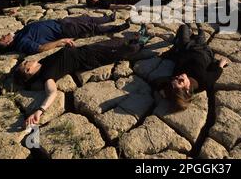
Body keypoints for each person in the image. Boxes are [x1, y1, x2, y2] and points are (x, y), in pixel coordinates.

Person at [13, 26, 152, 127]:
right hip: (92, 58)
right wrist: (39, 111)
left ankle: (138, 35)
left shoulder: (41, 63)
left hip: (87, 49)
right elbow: (52, 93)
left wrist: (65, 43)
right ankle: (143, 40)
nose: (27, 60)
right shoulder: (47, 76)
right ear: (28, 70)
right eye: (25, 63)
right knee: (126, 50)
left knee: (117, 42)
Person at [157, 24, 228, 110]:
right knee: (201, 35)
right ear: (187, 90)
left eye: (175, 78)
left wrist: (165, 92)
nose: (179, 76)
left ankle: (185, 37)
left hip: (186, 48)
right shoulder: (204, 81)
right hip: (203, 49)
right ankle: (198, 31)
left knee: (183, 27)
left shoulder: (174, 82)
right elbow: (217, 73)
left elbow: (157, 82)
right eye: (180, 81)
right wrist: (221, 64)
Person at [0, 14, 130, 55]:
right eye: (2, 39)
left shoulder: (18, 35)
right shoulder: (22, 42)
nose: (2, 36)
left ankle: (109, 18)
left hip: (61, 22)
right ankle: (116, 28)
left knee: (87, 18)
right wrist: (61, 41)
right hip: (64, 30)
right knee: (92, 28)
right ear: (8, 43)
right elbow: (40, 48)